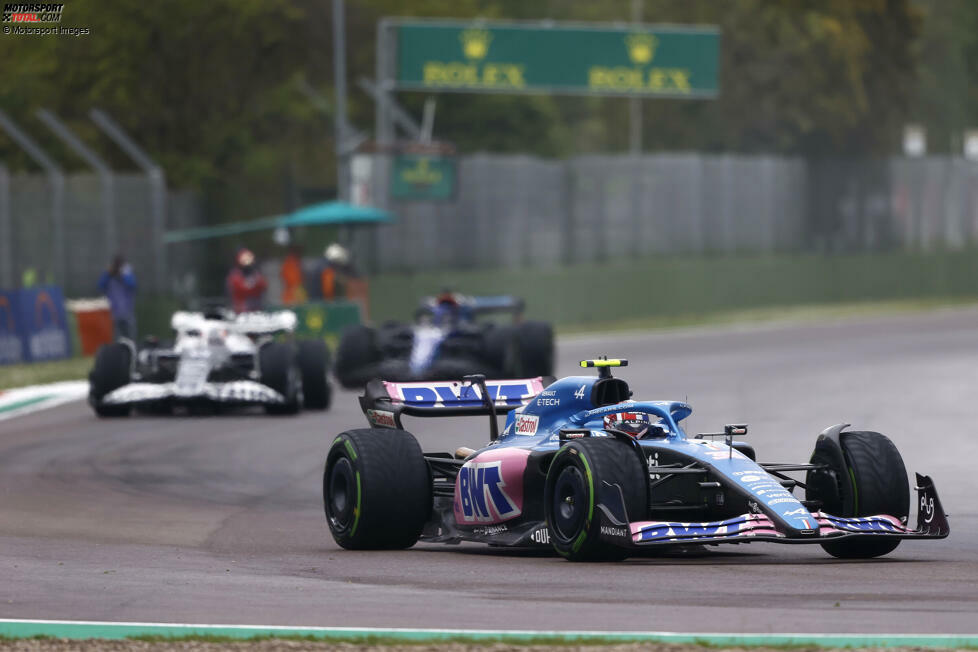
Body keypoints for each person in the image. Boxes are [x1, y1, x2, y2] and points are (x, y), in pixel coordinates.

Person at [97, 254, 137, 340]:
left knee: (130, 337)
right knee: (116, 338)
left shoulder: (127, 274)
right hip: (113, 313)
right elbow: (100, 285)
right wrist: (108, 273)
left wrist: (123, 274)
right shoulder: (109, 277)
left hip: (127, 313)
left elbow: (132, 285)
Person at [226, 248, 267, 313]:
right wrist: (250, 285)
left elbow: (263, 285)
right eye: (244, 258)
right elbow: (239, 289)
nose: (246, 261)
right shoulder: (235, 274)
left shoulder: (256, 273)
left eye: (249, 258)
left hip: (256, 309)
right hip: (240, 310)